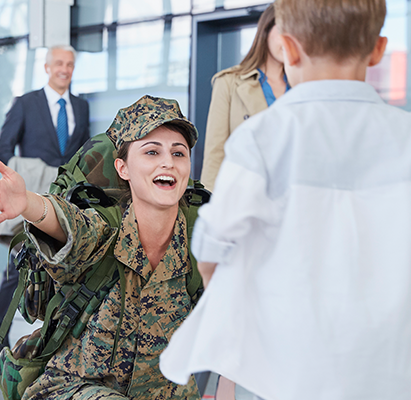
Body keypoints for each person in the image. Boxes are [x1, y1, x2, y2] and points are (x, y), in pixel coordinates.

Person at [160, 1, 411, 399]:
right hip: (388, 365)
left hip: (284, 366)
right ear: (379, 49)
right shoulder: (405, 137)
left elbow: (212, 244)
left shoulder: (263, 136)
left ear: (289, 48)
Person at [0, 96, 202, 399]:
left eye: (179, 153)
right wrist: (28, 203)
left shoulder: (199, 238)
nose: (168, 162)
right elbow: (68, 223)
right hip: (73, 388)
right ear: (122, 168)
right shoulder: (105, 230)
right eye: (152, 151)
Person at [0, 44, 90, 354]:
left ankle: (57, 335)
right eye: (59, 63)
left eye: (70, 64)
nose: (65, 69)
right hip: (30, 194)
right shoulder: (25, 104)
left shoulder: (81, 106)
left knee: (65, 263)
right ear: (47, 67)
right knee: (20, 263)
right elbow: (4, 149)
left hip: (65, 200)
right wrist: (19, 179)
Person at [200, 4, 289, 191]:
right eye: (284, 30)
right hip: (245, 195)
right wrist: (209, 204)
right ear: (266, 30)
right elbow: (215, 155)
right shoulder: (229, 82)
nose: (289, 40)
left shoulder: (302, 86)